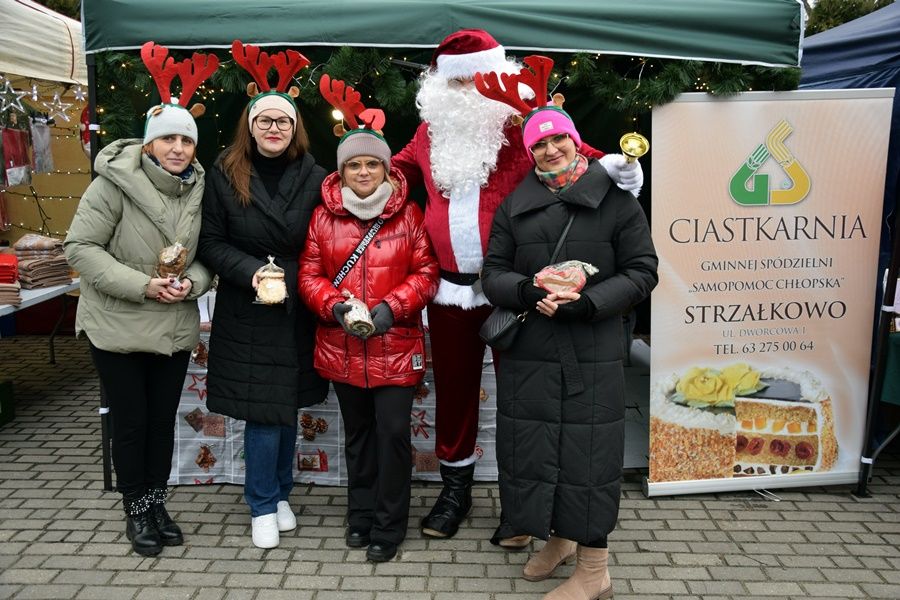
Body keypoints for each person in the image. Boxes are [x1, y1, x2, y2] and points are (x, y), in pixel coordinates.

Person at [391, 28, 645, 545]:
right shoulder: (427, 134)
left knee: (524, 402)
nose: (465, 95)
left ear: (496, 78)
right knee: (455, 395)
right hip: (450, 292)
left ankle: (520, 506)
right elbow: (393, 174)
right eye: (455, 83)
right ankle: (454, 491)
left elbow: (575, 152)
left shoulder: (518, 123)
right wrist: (361, 175)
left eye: (474, 81)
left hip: (519, 291)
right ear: (439, 88)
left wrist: (618, 166)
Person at [478, 56, 658, 599]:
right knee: (535, 449)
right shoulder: (515, 206)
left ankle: (594, 569)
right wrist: (527, 291)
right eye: (539, 145)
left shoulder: (617, 201)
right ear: (529, 152)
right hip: (533, 350)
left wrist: (588, 304)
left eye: (558, 140)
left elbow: (643, 271)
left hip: (592, 349)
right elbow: (493, 273)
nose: (550, 150)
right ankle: (557, 539)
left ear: (576, 142)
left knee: (587, 456)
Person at [64, 42, 217, 556]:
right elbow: (80, 248)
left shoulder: (199, 188)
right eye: (168, 139)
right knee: (130, 423)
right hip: (119, 324)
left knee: (160, 421)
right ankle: (136, 509)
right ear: (150, 144)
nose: (178, 148)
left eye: (186, 141)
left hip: (172, 324)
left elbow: (205, 253)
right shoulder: (112, 184)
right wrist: (143, 284)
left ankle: (157, 500)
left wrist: (191, 283)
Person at [298, 76, 439, 562]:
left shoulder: (409, 216)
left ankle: (389, 523)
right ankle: (359, 516)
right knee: (357, 437)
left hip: (393, 346)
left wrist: (388, 308)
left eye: (371, 164)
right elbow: (309, 274)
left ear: (385, 169)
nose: (363, 171)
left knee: (393, 435)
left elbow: (426, 273)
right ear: (342, 171)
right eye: (354, 164)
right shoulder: (323, 217)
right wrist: (336, 306)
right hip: (341, 347)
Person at [198, 41, 328, 549]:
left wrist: (301, 278)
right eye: (264, 121)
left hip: (296, 305)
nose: (273, 129)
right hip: (247, 305)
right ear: (249, 127)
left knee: (288, 403)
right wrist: (252, 271)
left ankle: (278, 495)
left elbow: (324, 239)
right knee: (262, 409)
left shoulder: (317, 177)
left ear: (295, 128)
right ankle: (261, 502)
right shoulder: (224, 173)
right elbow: (210, 241)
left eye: (282, 121)